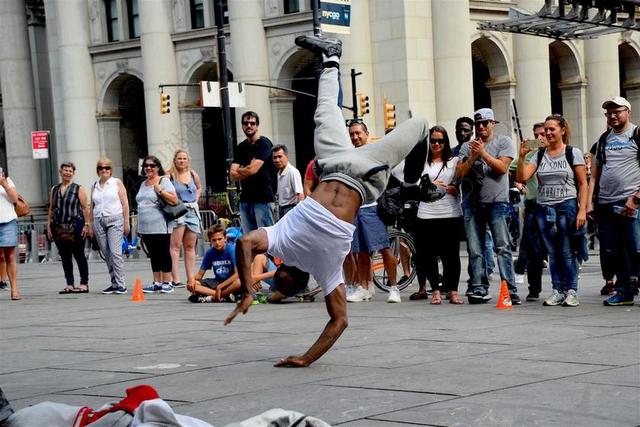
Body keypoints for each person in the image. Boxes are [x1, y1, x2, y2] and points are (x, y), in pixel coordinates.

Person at [224, 35, 429, 367]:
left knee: (324, 112)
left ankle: (331, 58)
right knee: (420, 125)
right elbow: (339, 321)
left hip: (333, 163)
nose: (279, 284)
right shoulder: (327, 271)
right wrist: (306, 358)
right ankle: (412, 185)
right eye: (283, 288)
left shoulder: (278, 241)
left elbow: (245, 243)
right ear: (296, 284)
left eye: (277, 284)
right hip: (364, 175)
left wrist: (248, 290)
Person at [516, 114, 588, 307]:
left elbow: (583, 183)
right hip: (544, 208)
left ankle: (571, 290)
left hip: (567, 206)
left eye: (551, 129)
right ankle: (558, 290)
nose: (547, 133)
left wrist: (583, 210)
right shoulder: (539, 154)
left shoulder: (573, 153)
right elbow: (523, 176)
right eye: (545, 130)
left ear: (562, 130)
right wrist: (522, 155)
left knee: (567, 251)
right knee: (553, 253)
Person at [456, 108, 521, 304]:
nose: (481, 127)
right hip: (472, 204)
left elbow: (502, 168)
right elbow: (459, 174)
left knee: (502, 247)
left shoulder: (503, 142)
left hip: (497, 202)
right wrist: (474, 155)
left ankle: (510, 289)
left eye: (485, 123)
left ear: (493, 123)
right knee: (475, 250)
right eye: (478, 124)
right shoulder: (467, 147)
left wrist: (482, 152)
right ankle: (478, 287)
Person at [588, 97, 640, 306]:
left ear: (628, 111)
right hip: (606, 203)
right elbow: (595, 174)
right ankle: (624, 291)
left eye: (617, 111)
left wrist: (636, 198)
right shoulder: (603, 139)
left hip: (631, 201)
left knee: (636, 248)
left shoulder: (636, 134)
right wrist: (591, 202)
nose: (612, 116)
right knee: (613, 250)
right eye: (609, 113)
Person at [345, 120, 402, 304]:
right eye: (352, 134)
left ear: (366, 133)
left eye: (358, 133)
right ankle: (363, 287)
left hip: (373, 207)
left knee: (384, 248)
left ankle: (394, 288)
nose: (355, 137)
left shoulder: (375, 153)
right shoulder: (349, 156)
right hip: (356, 208)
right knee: (360, 251)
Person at [411, 126, 464, 304]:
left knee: (452, 255)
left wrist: (445, 188)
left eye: (440, 141)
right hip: (426, 214)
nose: (436, 144)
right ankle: (435, 291)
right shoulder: (421, 163)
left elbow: (459, 188)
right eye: (433, 140)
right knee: (429, 254)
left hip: (450, 213)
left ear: (446, 142)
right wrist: (430, 186)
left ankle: (453, 291)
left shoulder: (454, 161)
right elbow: (415, 186)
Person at [511, 123, 548, 301]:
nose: (540, 138)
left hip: (555, 204)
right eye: (537, 134)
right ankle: (534, 289)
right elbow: (511, 170)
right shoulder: (530, 155)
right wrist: (519, 184)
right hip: (533, 204)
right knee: (534, 251)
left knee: (560, 249)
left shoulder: (558, 152)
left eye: (543, 133)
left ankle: (564, 288)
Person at [136, 155, 178, 294]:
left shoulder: (163, 180)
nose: (148, 168)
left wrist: (160, 191)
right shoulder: (143, 183)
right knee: (153, 254)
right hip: (145, 224)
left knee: (163, 252)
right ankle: (157, 282)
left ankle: (167, 282)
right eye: (146, 166)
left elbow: (174, 199)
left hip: (160, 223)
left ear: (157, 168)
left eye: (152, 166)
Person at [47, 162, 91, 294]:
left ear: (73, 173)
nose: (67, 173)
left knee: (79, 255)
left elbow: (85, 208)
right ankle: (70, 284)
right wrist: (49, 225)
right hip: (59, 227)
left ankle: (84, 283)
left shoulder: (78, 188)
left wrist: (87, 225)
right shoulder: (54, 189)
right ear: (60, 172)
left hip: (76, 226)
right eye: (65, 170)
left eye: (70, 171)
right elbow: (51, 208)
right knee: (65, 257)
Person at [231, 111, 277, 233]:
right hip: (245, 199)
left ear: (257, 125)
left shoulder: (264, 144)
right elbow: (232, 174)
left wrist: (242, 169)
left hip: (263, 199)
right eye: (246, 123)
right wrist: (247, 168)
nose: (249, 126)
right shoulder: (241, 147)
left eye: (252, 123)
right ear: (242, 126)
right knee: (249, 240)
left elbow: (253, 170)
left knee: (266, 238)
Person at [90, 158, 130, 295]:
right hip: (98, 220)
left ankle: (121, 284)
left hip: (115, 219)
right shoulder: (94, 184)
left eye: (107, 168)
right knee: (106, 254)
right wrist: (90, 225)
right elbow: (92, 206)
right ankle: (114, 283)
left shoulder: (116, 183)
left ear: (111, 170)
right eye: (101, 168)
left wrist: (126, 222)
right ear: (97, 170)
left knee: (115, 252)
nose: (104, 170)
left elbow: (125, 204)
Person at [167, 149, 202, 288]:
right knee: (175, 246)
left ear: (188, 160)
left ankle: (190, 277)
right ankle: (175, 278)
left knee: (190, 246)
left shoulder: (193, 174)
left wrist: (196, 199)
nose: (182, 161)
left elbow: (199, 188)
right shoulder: (170, 176)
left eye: (184, 158)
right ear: (175, 160)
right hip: (178, 210)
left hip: (192, 210)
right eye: (179, 158)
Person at [186, 224, 239, 303]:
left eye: (219, 239)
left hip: (230, 282)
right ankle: (223, 296)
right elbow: (200, 275)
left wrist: (220, 287)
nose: (217, 242)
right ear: (210, 241)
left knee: (239, 282)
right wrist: (191, 281)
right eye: (214, 240)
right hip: (217, 282)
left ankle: (212, 297)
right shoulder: (210, 252)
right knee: (192, 284)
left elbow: (237, 274)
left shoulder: (231, 250)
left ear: (225, 239)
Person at [0, 168, 21, 300]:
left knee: (10, 256)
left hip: (7, 222)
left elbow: (14, 198)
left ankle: (14, 289)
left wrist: (4, 184)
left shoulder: (7, 180)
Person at [272, 145, 304, 218]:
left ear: (286, 156)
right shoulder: (279, 173)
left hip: (291, 209)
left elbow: (300, 195)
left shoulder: (293, 172)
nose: (277, 160)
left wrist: (299, 215)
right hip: (281, 208)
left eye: (280, 157)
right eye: (274, 157)